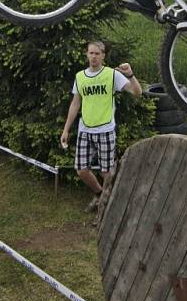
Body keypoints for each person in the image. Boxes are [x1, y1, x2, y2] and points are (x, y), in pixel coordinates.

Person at [60, 41, 141, 212]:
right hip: (85, 130)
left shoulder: (112, 75)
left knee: (106, 172)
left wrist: (130, 75)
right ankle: (100, 195)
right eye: (91, 53)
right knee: (81, 170)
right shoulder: (80, 76)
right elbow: (75, 104)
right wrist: (66, 129)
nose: (94, 57)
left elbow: (137, 92)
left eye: (97, 53)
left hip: (105, 131)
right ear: (87, 55)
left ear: (103, 55)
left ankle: (108, 205)